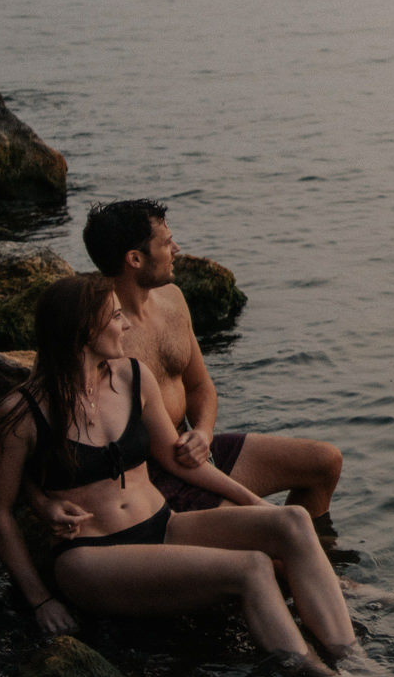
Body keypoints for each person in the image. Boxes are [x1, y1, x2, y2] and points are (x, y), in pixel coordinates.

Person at [0, 275, 357, 675]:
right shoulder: (21, 414)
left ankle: (355, 659)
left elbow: (179, 460)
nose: (126, 324)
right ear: (83, 330)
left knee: (293, 521)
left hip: (164, 525)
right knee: (251, 568)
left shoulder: (132, 376)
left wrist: (254, 504)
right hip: (91, 557)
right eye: (114, 316)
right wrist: (41, 600)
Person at [72, 199, 344, 539]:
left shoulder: (172, 298)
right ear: (135, 259)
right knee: (266, 538)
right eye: (166, 242)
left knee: (324, 462)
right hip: (154, 476)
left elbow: (200, 386)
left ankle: (324, 563)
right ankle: (326, 582)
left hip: (193, 449)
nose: (177, 248)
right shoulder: (102, 333)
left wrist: (203, 432)